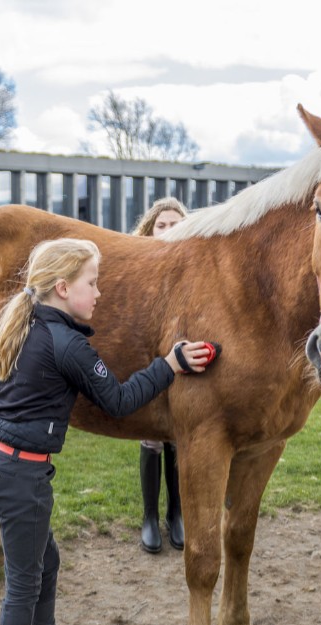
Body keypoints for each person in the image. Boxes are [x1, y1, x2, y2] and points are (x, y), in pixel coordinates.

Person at [0, 237, 212, 625]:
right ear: (63, 288)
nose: (99, 293)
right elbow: (120, 401)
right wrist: (170, 365)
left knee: (45, 563)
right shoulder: (69, 345)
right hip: (22, 476)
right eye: (92, 282)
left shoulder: (15, 325)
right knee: (23, 584)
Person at [131, 197, 189, 553]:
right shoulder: (138, 266)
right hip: (150, 360)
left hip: (184, 359)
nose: (169, 230)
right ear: (150, 228)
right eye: (162, 225)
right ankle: (150, 517)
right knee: (152, 437)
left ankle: (176, 514)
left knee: (178, 437)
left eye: (176, 223)